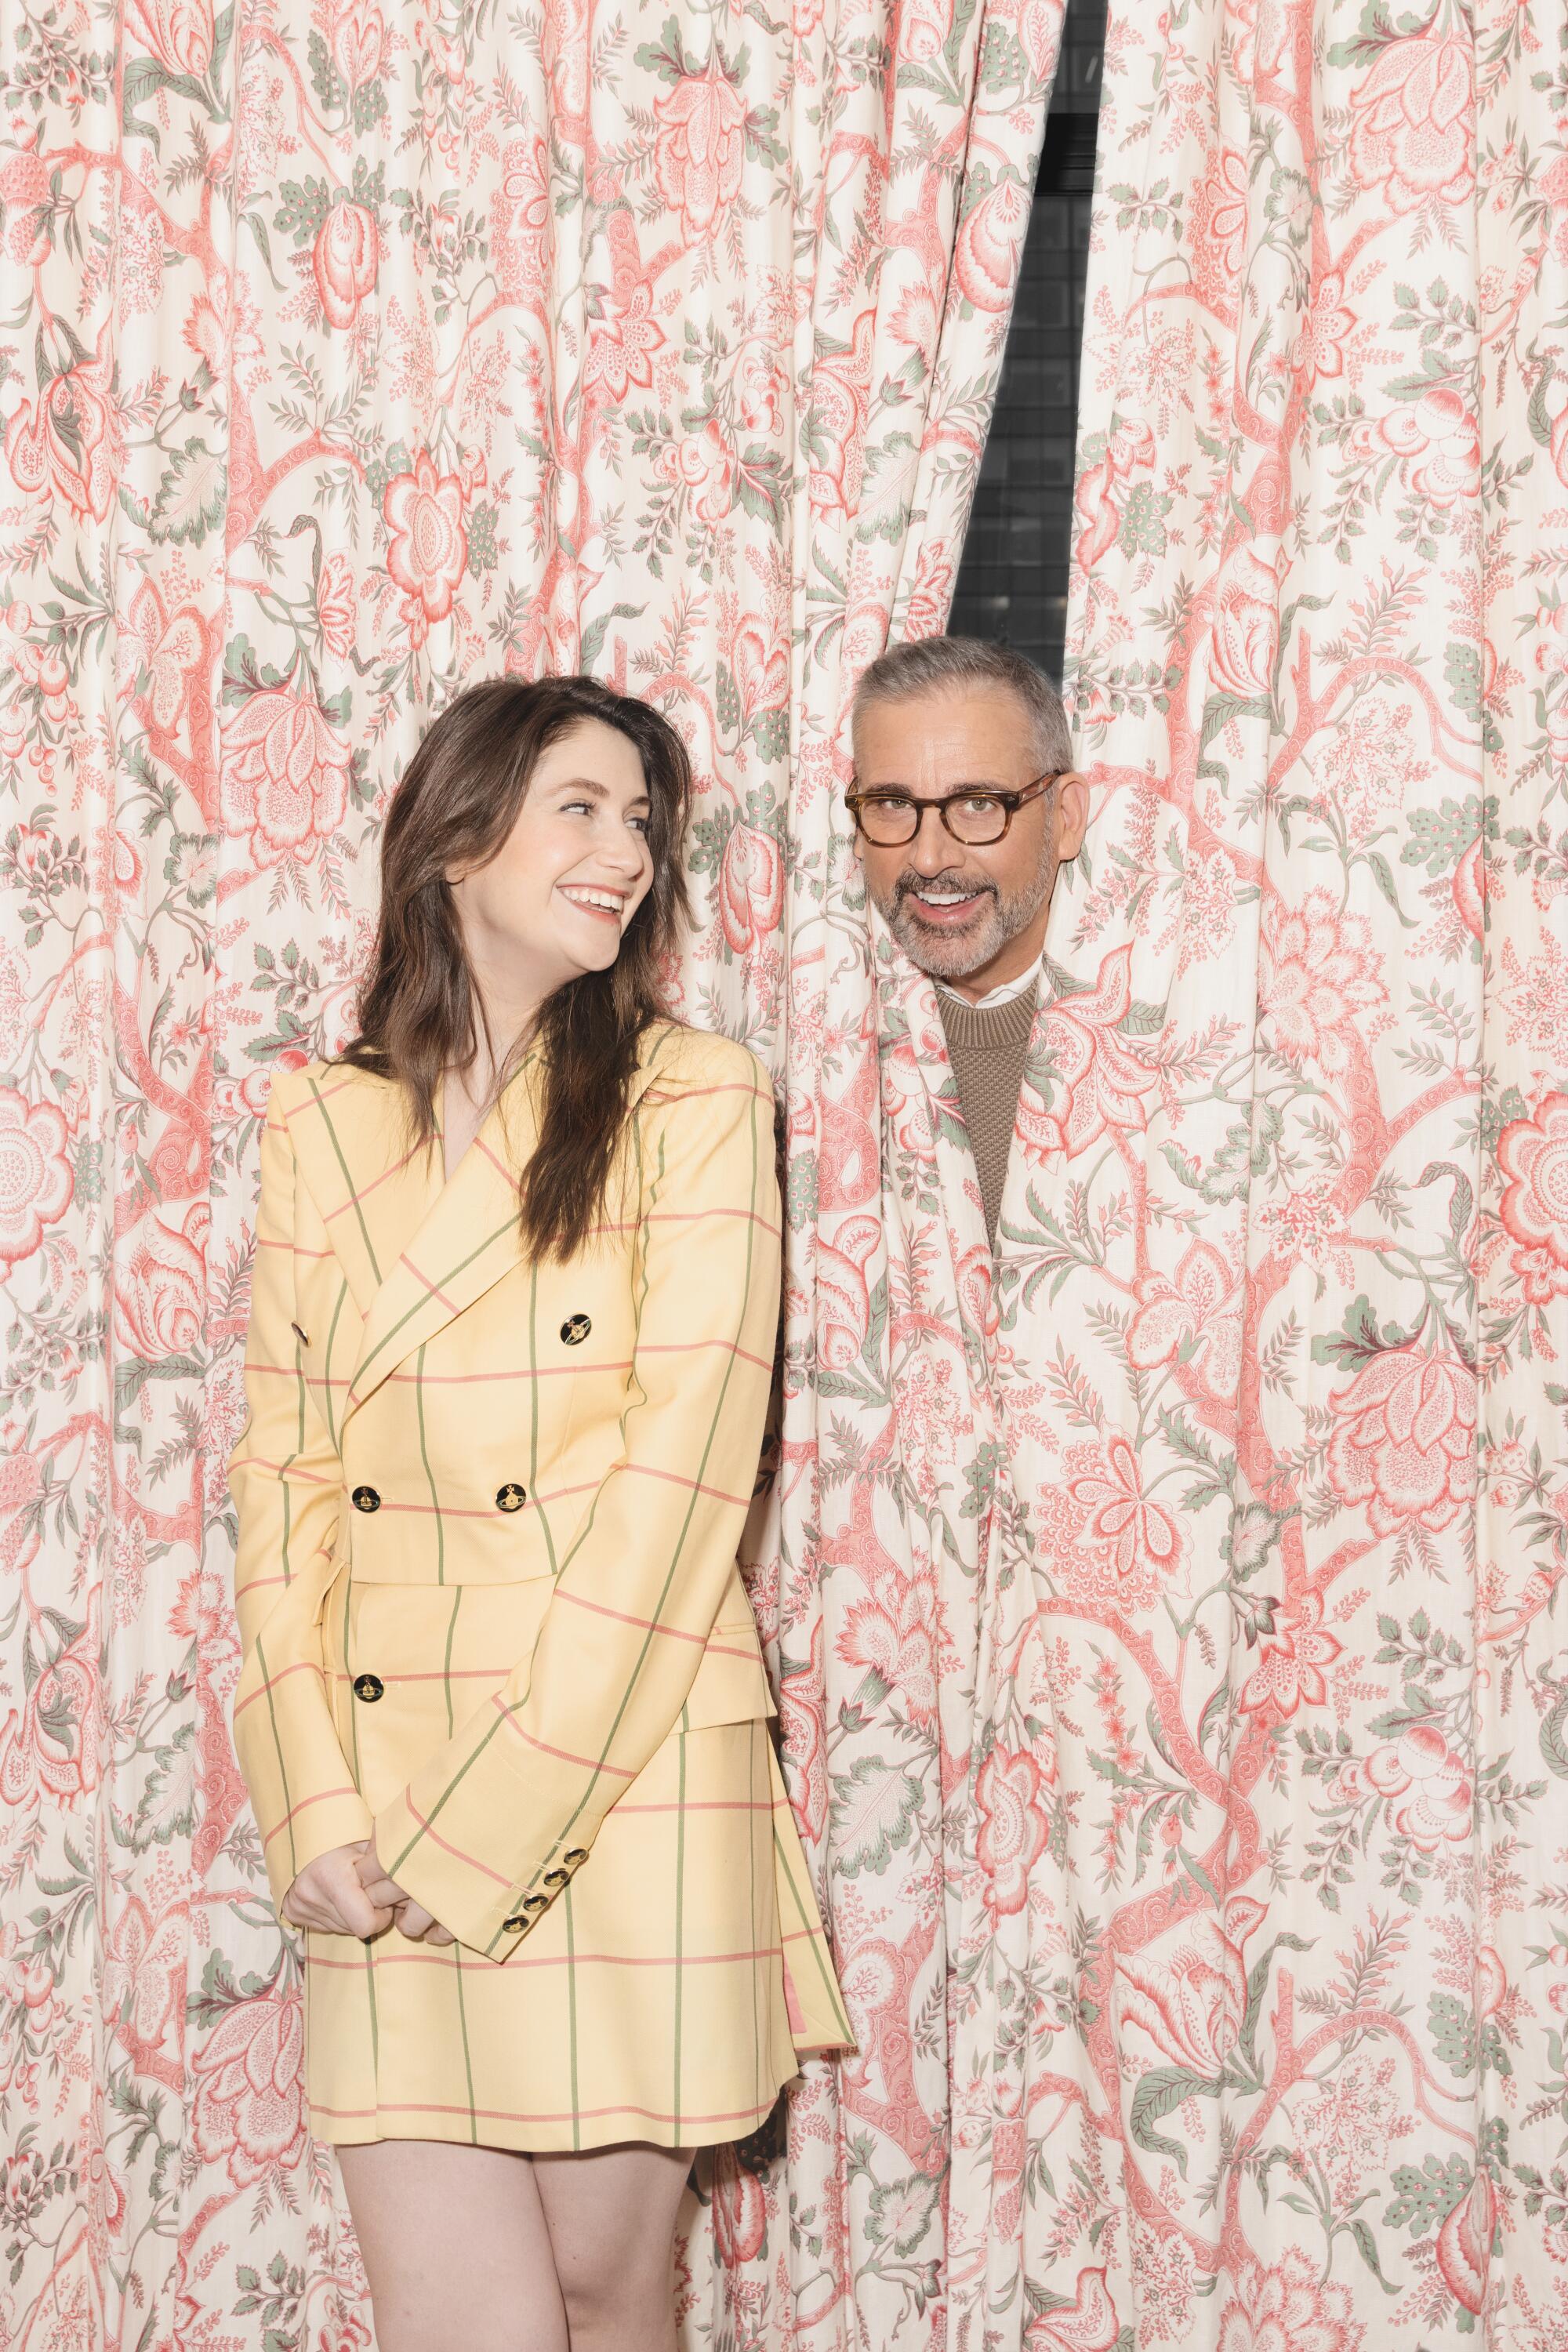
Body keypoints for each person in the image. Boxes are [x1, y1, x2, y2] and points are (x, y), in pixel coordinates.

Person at [228, 675, 851, 2352]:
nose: (625, 852)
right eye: (579, 806)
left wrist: (485, 1824)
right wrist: (315, 1805)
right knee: (463, 2327)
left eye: (642, 820)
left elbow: (681, 1488)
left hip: (613, 1771)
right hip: (381, 1796)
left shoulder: (695, 1096)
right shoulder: (323, 1120)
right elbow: (281, 1492)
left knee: (597, 2296)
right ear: (453, 838)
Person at [846, 637, 1089, 1246]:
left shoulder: (1178, 1054)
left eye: (979, 804)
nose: (929, 858)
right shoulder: (824, 1054)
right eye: (893, 803)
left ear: (1066, 818)